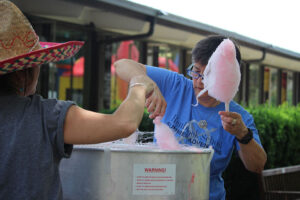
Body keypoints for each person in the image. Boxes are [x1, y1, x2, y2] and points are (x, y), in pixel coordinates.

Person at [0, 1, 153, 200]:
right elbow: (124, 123)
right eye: (38, 64)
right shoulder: (44, 117)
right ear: (23, 73)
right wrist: (139, 85)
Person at [115, 35, 267, 200]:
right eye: (196, 71)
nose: (199, 81)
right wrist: (144, 81)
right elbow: (122, 65)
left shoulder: (239, 117)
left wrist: (243, 135)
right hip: (158, 192)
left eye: (208, 75)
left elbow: (257, 165)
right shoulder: (176, 85)